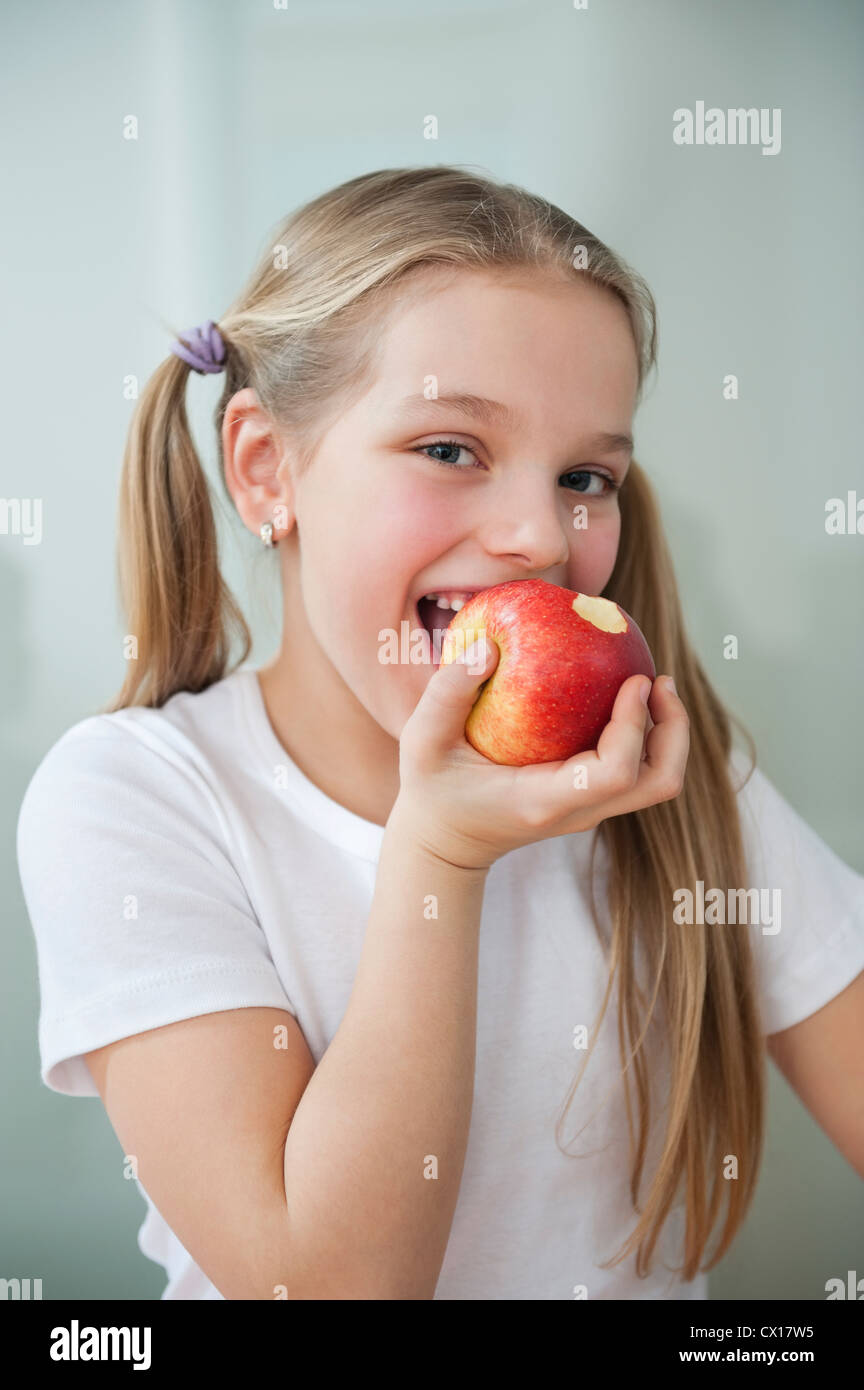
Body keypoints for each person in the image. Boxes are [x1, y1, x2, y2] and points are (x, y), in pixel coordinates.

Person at [17, 166, 864, 1301]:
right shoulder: (135, 798)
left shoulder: (665, 774)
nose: (537, 537)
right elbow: (322, 1287)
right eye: (451, 448)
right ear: (269, 470)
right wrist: (441, 854)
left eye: (584, 475)